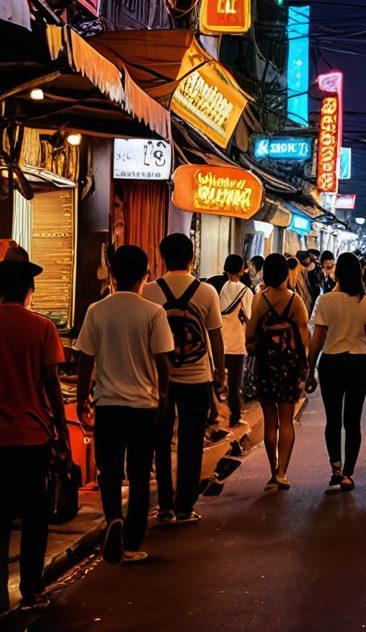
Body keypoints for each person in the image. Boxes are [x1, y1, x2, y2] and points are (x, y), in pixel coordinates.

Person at [75, 246, 173, 565]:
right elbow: (164, 365)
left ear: (113, 274)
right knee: (141, 475)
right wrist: (162, 401)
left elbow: (85, 361)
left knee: (110, 472)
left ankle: (114, 518)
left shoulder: (97, 311)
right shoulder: (152, 312)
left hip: (108, 406)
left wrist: (81, 400)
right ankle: (131, 543)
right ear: (145, 275)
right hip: (143, 407)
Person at [0, 255, 69, 613]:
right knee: (34, 518)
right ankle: (31, 590)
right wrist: (62, 434)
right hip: (31, 438)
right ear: (30, 290)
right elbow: (52, 385)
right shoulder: (42, 327)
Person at [144, 233, 225, 524]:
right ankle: (184, 506)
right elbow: (215, 335)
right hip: (197, 377)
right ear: (192, 257)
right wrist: (220, 372)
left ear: (162, 256)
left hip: (159, 380)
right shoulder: (206, 292)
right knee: (191, 441)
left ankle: (164, 505)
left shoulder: (150, 291)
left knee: (161, 440)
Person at [305, 253, 366, 491]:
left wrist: (309, 371)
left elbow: (317, 341)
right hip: (358, 363)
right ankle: (348, 473)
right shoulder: (365, 302)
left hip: (331, 363)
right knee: (353, 421)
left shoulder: (325, 301)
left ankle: (336, 467)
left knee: (333, 419)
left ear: (336, 273)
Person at [246, 254, 309, 489]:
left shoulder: (260, 300)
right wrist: (305, 368)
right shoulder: (296, 301)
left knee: (270, 421)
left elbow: (249, 337)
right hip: (290, 368)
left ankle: (272, 469)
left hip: (265, 366)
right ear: (285, 273)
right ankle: (282, 472)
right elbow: (305, 339)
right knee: (287, 420)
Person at [218, 254, 254, 428]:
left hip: (220, 342)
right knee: (234, 384)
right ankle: (234, 416)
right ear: (241, 270)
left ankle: (219, 418)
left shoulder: (220, 287)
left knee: (219, 383)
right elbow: (249, 316)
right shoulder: (245, 291)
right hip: (237, 343)